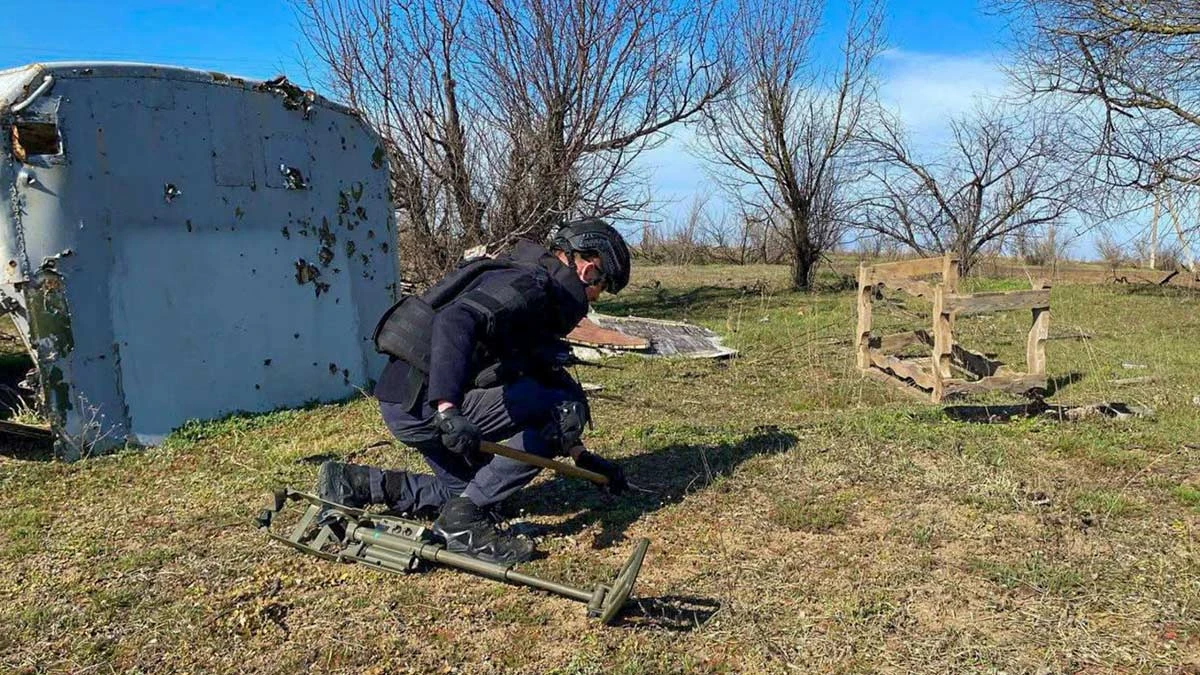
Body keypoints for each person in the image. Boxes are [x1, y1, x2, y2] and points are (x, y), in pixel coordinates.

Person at [315, 218, 632, 565]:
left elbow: (543, 370)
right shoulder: (530, 285)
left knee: (467, 490)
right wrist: (448, 409)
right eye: (601, 285)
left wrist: (581, 455)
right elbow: (456, 320)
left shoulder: (534, 282)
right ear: (587, 267)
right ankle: (463, 526)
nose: (596, 296)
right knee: (560, 410)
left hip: (404, 399)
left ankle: (355, 483)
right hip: (424, 401)